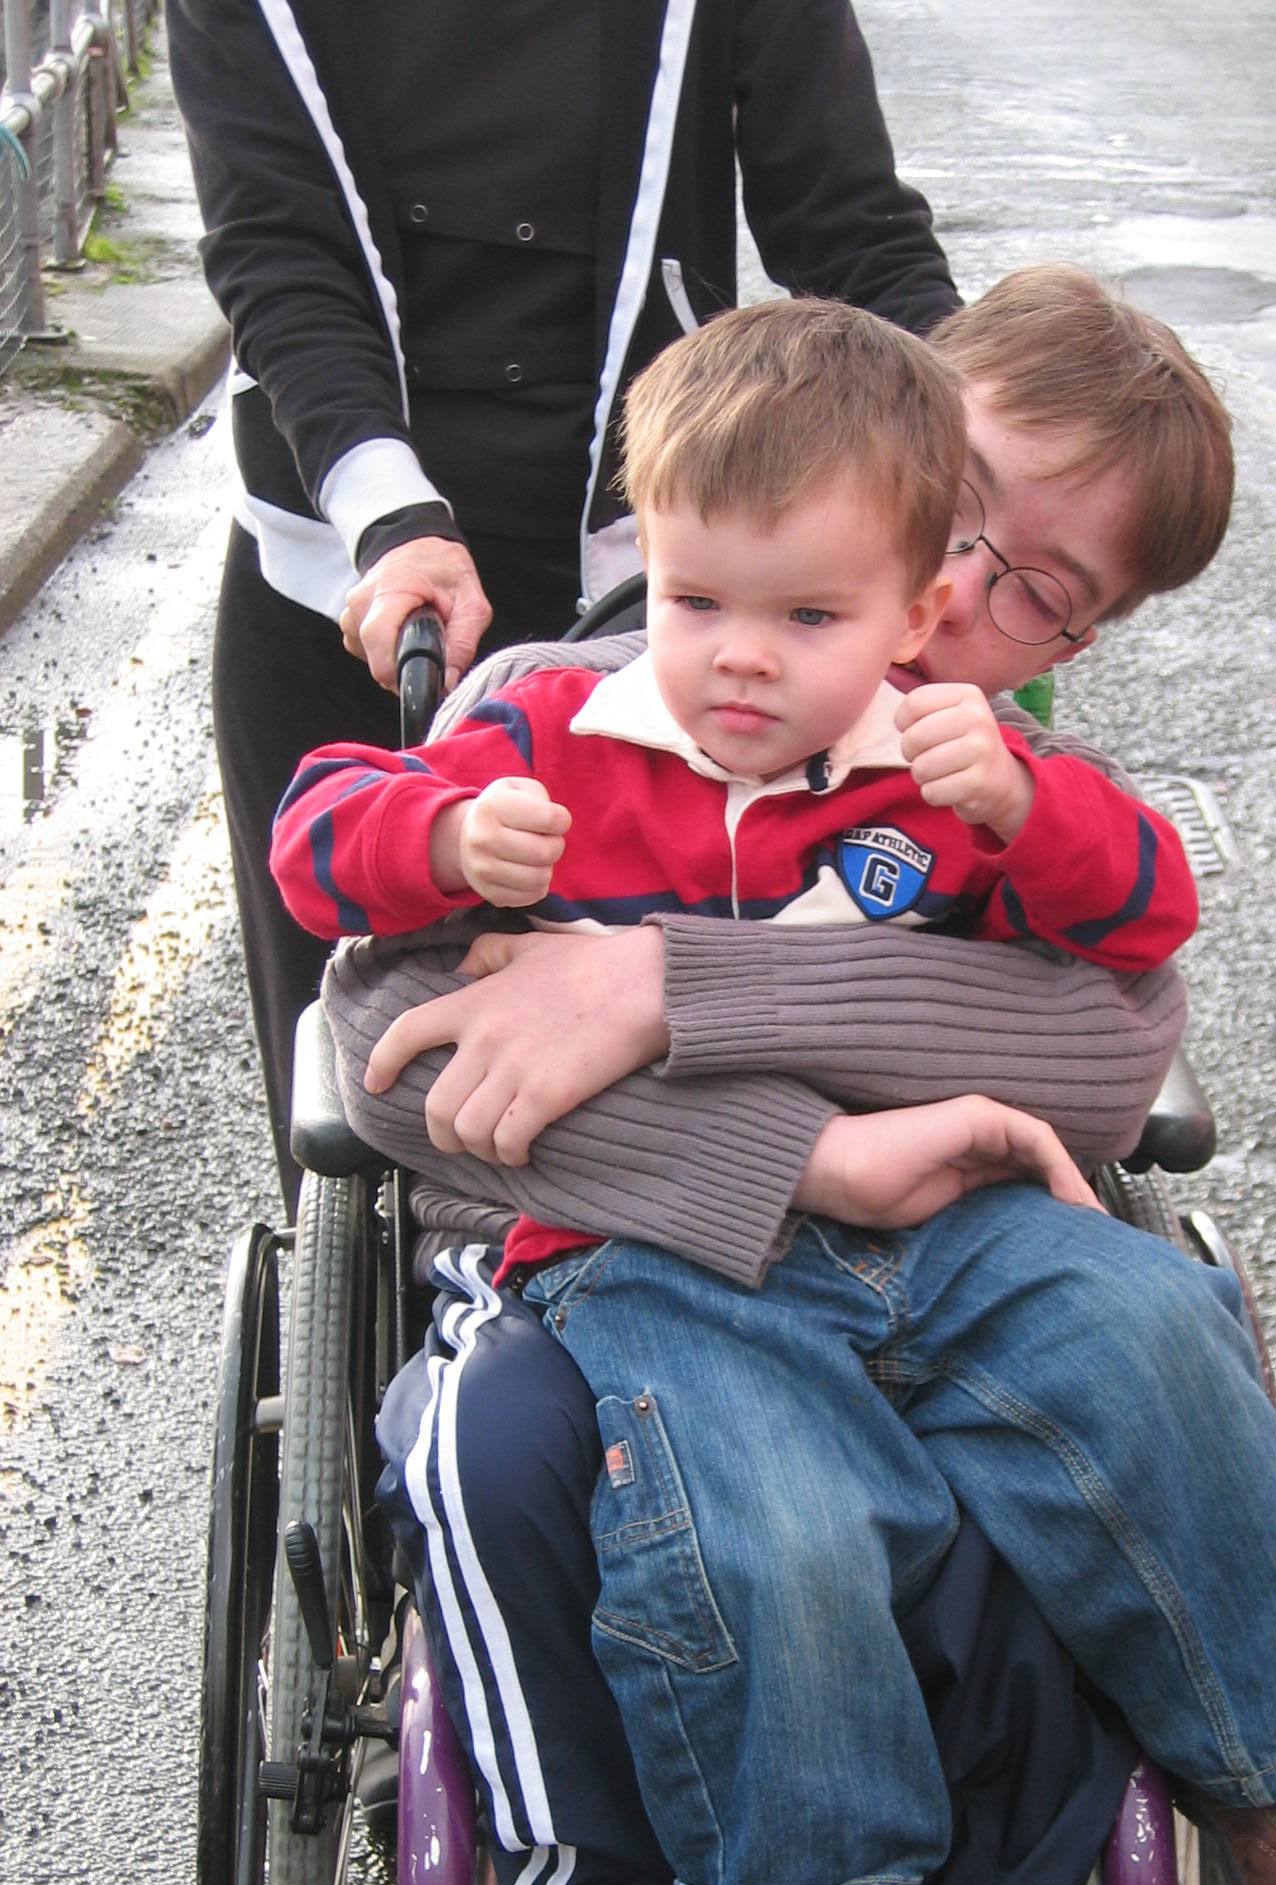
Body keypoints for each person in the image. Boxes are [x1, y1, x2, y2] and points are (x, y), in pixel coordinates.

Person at [278, 290, 1276, 1885]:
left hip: (928, 1258)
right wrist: (804, 1122)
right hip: (609, 1249)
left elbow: (1100, 1051)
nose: (966, 595)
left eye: (1037, 589)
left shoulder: (986, 780)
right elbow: (392, 1037)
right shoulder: (572, 700)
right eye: (956, 513)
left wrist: (664, 982)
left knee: (1111, 1387)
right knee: (573, 1462)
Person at [166, 0, 961, 1206]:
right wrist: (388, 512)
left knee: (726, 1009)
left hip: (680, 573)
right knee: (366, 1088)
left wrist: (999, 470)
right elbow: (278, 249)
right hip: (354, 563)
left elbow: (852, 233)